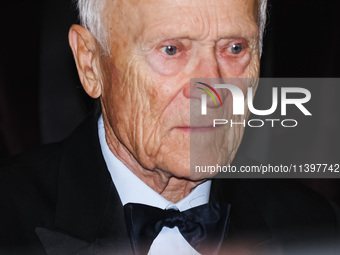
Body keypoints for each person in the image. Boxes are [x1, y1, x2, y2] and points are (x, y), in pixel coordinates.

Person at [0, 0, 339, 254]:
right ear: (91, 64)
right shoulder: (10, 218)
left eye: (235, 48)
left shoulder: (313, 225)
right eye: (172, 50)